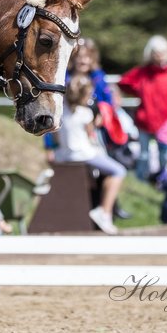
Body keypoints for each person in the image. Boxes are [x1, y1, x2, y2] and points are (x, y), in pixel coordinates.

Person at [53, 76, 126, 235]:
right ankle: (104, 211)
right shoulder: (86, 113)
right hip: (84, 155)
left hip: (63, 156)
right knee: (118, 171)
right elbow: (91, 135)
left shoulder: (59, 112)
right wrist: (95, 123)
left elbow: (56, 138)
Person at [117, 35, 167, 181]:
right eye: (156, 53)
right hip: (145, 120)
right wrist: (137, 90)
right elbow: (123, 82)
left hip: (166, 123)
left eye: (162, 52)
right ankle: (141, 182)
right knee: (143, 154)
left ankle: (163, 181)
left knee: (164, 155)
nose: (160, 56)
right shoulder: (143, 72)